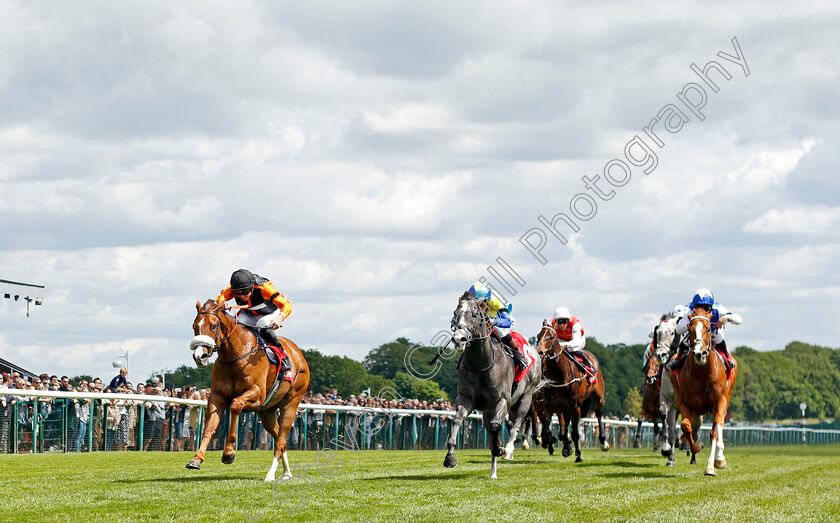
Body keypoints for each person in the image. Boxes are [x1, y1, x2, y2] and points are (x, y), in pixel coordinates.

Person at [217, 269, 292, 372]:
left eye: (245, 292)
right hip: (249, 313)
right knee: (235, 326)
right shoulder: (233, 288)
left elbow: (286, 305)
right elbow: (221, 297)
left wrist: (279, 318)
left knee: (262, 325)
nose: (242, 296)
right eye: (238, 294)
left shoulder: (265, 288)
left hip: (269, 314)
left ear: (252, 287)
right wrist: (223, 303)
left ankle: (283, 357)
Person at [671, 288, 742, 371]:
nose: (701, 310)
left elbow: (739, 319)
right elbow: (678, 329)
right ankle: (678, 360)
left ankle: (727, 359)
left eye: (706, 308)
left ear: (711, 306)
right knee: (684, 342)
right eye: (698, 306)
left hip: (712, 332)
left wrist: (727, 317)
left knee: (719, 339)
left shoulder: (718, 308)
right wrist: (691, 325)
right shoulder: (689, 309)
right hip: (696, 334)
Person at [468, 282, 528, 371]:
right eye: (475, 305)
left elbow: (507, 322)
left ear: (487, 301)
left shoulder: (495, 300)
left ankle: (519, 356)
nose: (479, 309)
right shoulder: (468, 301)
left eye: (481, 305)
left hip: (500, 319)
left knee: (499, 331)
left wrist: (492, 321)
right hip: (484, 320)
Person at [551, 306, 595, 376]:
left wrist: (565, 344)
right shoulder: (552, 324)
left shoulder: (575, 324)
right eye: (559, 322)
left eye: (564, 322)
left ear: (568, 320)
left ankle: (588, 365)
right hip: (562, 339)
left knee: (571, 349)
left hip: (577, 340)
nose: (562, 325)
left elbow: (576, 342)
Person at [643, 305, 689, 369]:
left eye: (681, 319)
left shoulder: (687, 326)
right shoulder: (669, 326)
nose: (679, 322)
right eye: (678, 319)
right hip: (668, 355)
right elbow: (650, 334)